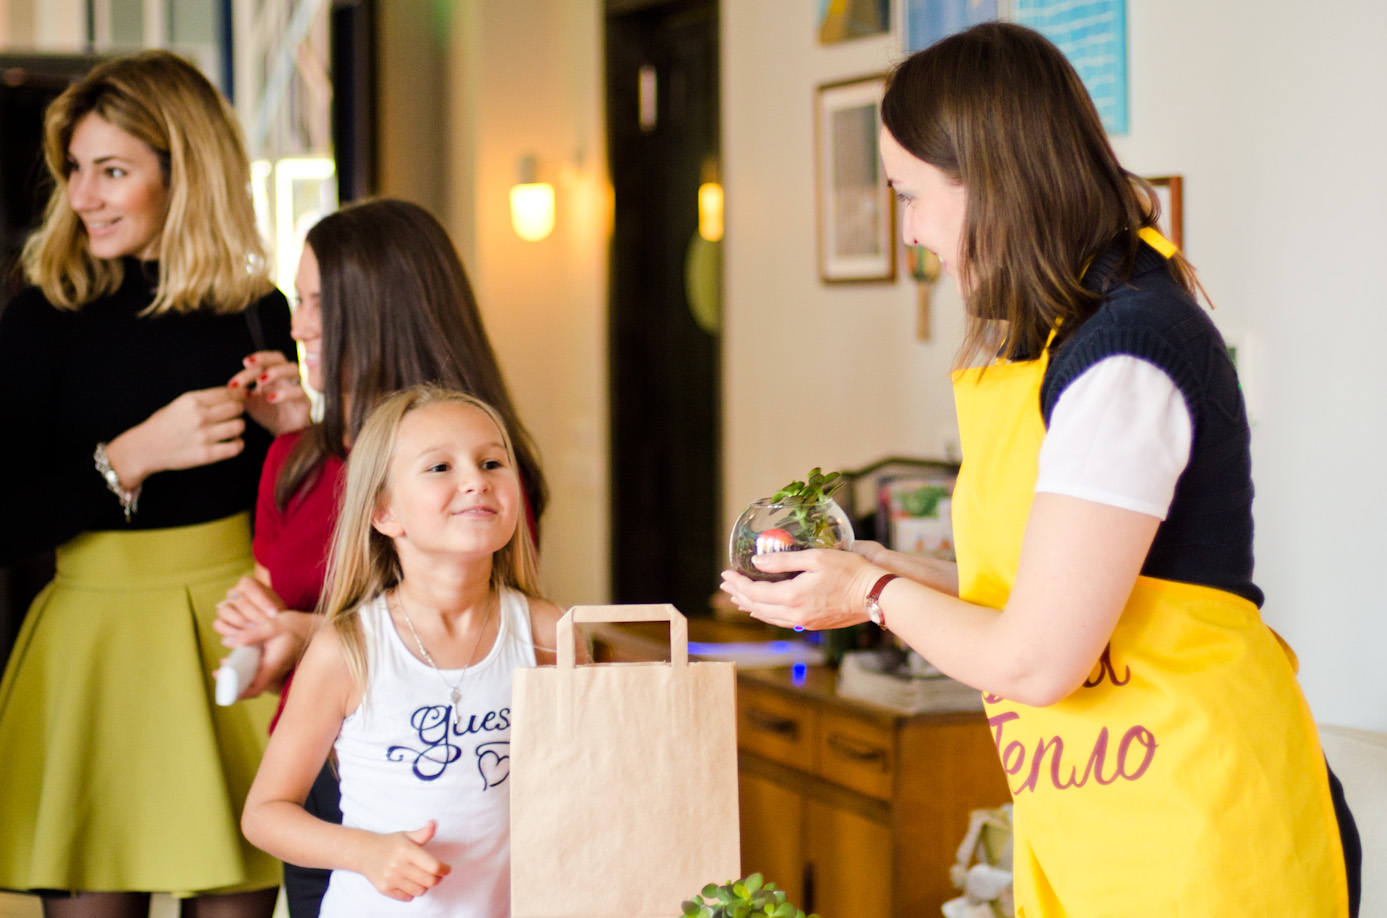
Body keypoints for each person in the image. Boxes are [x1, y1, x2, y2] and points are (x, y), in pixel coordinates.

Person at [721, 22, 1360, 917]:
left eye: (909, 197)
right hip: (1110, 812)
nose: (911, 236)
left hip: (1198, 835)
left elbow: (1036, 658)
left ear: (984, 181)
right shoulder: (1073, 340)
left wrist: (866, 600)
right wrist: (891, 568)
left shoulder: (1123, 357)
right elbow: (1055, 589)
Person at [0, 50, 309, 917]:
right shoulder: (38, 317)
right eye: (75, 171)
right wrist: (129, 456)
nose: (83, 196)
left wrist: (299, 435)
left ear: (185, 172)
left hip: (233, 641)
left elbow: (299, 511)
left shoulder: (261, 309)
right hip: (93, 645)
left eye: (113, 171)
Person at [211, 198, 548, 918]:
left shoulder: (479, 486)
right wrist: (270, 640)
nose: (297, 326)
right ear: (381, 513)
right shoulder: (295, 460)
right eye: (297, 301)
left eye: (315, 303)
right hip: (341, 799)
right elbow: (272, 801)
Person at [241, 385, 575, 917]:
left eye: (492, 461)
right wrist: (366, 852)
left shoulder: (547, 632)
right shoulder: (346, 649)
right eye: (440, 468)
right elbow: (264, 813)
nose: (475, 480)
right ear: (384, 513)